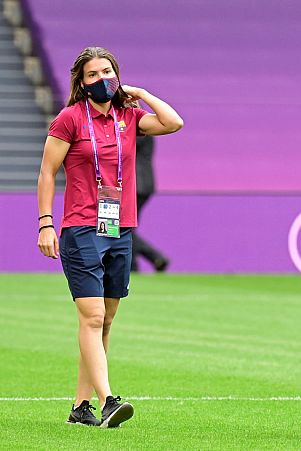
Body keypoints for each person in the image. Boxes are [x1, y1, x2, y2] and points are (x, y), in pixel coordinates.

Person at [36, 46, 183, 427]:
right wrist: (46, 223)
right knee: (93, 316)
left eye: (107, 71)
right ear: (81, 84)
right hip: (81, 227)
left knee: (106, 320)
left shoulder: (129, 116)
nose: (101, 79)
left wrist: (144, 95)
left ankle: (79, 408)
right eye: (92, 75)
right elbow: (48, 173)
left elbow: (173, 123)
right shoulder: (69, 119)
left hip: (117, 225)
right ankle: (108, 402)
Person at [131, 135, 169, 272]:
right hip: (142, 183)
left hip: (135, 184)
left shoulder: (139, 128)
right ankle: (150, 259)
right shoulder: (142, 127)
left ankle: (147, 259)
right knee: (124, 227)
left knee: (123, 227)